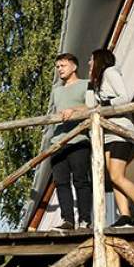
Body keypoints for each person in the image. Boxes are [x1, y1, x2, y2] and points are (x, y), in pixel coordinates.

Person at [87, 48, 134, 227]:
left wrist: (105, 103)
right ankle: (125, 216)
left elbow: (125, 98)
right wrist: (90, 83)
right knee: (113, 177)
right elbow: (90, 106)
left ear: (99, 60)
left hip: (120, 130)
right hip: (108, 135)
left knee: (118, 176)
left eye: (91, 60)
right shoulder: (98, 81)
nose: (89, 63)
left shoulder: (110, 73)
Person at [49, 53, 93, 230]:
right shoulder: (56, 91)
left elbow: (92, 106)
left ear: (74, 67)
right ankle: (67, 220)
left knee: (80, 180)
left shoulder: (86, 84)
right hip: (58, 141)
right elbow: (54, 114)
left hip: (79, 139)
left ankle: (85, 220)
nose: (59, 69)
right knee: (61, 182)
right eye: (57, 66)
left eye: (63, 65)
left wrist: (73, 109)